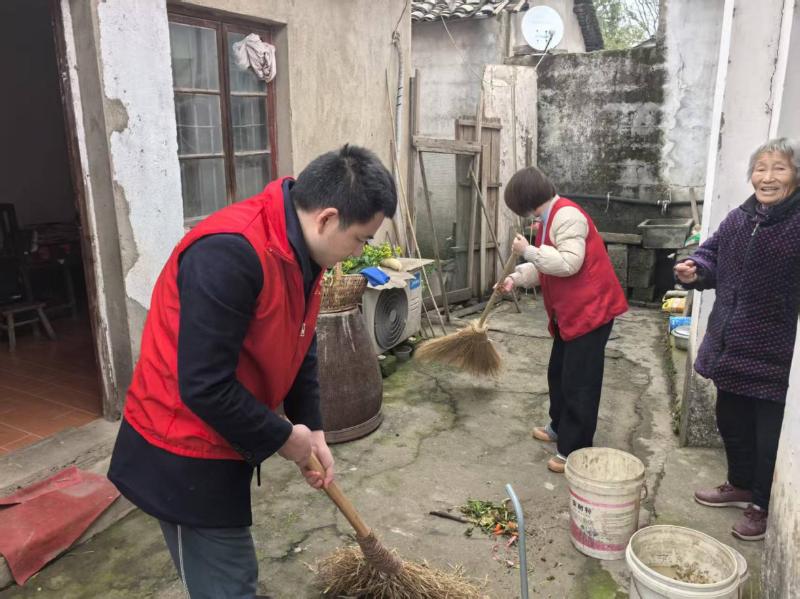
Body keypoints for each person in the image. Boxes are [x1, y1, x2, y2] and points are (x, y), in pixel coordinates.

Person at [108, 145, 397, 598]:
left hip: (224, 435)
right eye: (361, 238)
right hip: (180, 449)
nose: (360, 250)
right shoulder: (230, 253)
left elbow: (301, 346)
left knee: (231, 581)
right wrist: (284, 438)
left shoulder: (303, 252)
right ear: (326, 218)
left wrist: (314, 428)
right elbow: (204, 386)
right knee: (229, 584)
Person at [675, 137, 800, 541]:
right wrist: (696, 267)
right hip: (731, 347)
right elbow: (711, 252)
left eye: (779, 168)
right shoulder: (741, 217)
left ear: (796, 175)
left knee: (768, 438)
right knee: (731, 422)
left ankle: (762, 505)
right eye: (760, 168)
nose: (767, 177)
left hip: (774, 352)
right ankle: (740, 483)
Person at [497, 166, 628, 473]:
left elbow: (569, 263)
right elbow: (547, 267)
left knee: (580, 382)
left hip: (591, 313)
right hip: (569, 314)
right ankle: (559, 426)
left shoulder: (568, 216)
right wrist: (515, 278)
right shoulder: (547, 218)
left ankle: (574, 448)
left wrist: (527, 250)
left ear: (526, 202)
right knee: (559, 373)